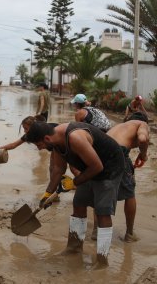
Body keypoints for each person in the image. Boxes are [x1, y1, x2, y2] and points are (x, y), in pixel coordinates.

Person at [25, 121, 124, 267]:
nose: (40, 149)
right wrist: (48, 193)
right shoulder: (56, 143)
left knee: (102, 211)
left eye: (39, 145)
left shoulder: (74, 137)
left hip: (110, 167)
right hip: (90, 168)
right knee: (78, 203)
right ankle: (74, 248)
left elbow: (97, 166)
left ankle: (102, 260)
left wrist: (75, 182)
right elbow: (58, 169)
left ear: (46, 139)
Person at [90, 113, 150, 243]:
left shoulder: (119, 126)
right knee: (129, 194)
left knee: (101, 192)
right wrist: (143, 154)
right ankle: (129, 234)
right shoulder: (142, 124)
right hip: (117, 154)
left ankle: (96, 231)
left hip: (99, 155)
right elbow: (143, 139)